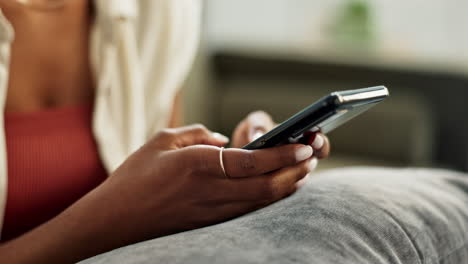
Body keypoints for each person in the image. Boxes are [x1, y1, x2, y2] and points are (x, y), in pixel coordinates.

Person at [1, 1, 468, 264]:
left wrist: (219, 159)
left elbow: (153, 148)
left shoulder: (157, 11)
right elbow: (125, 205)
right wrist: (109, 219)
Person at [0, 0, 331, 262]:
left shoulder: (159, 10)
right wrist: (110, 220)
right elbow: (138, 208)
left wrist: (229, 168)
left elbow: (161, 171)